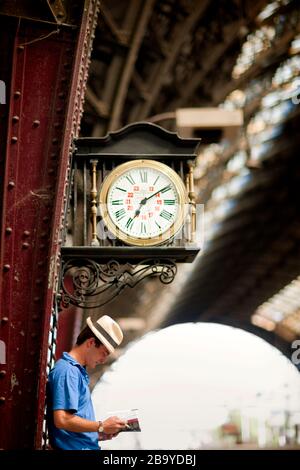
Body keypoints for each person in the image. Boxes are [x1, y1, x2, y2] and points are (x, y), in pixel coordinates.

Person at [47, 315, 127, 450]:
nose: (103, 360)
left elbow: (70, 424)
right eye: (104, 353)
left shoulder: (76, 372)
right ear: (90, 343)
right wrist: (101, 426)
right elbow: (62, 419)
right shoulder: (69, 371)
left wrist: (98, 433)